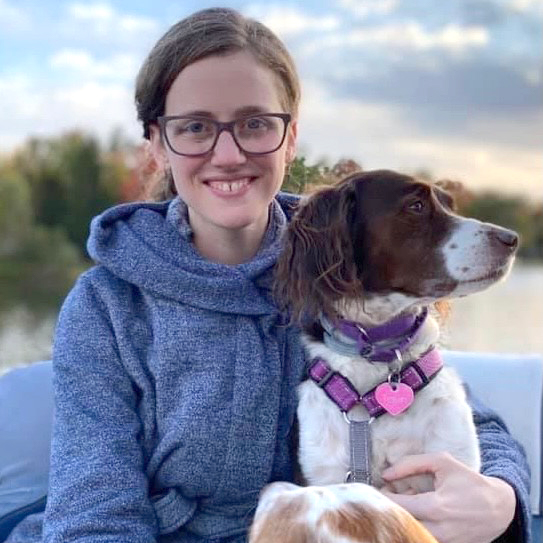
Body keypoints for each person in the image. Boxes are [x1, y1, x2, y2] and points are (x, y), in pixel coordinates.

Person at [3, 7, 531, 543]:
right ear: (158, 144)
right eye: (195, 127)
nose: (228, 154)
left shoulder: (348, 268)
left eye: (255, 123)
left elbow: (468, 420)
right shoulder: (106, 306)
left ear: (291, 136)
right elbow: (93, 509)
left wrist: (503, 497)